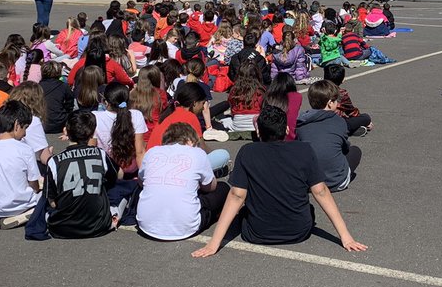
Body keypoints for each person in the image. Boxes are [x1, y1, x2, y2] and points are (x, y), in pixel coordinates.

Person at [192, 104, 367, 257]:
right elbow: (320, 191)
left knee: (242, 212)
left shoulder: (248, 152)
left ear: (258, 131)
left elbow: (237, 196)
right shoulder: (304, 150)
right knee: (309, 208)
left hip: (257, 233)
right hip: (298, 231)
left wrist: (214, 243)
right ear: (287, 130)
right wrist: (345, 236)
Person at [138, 122, 229, 240]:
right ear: (190, 141)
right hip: (186, 227)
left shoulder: (152, 152)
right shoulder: (197, 153)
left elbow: (141, 182)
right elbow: (210, 187)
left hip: (146, 225)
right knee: (223, 188)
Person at [42, 111, 120, 239]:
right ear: (92, 133)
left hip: (61, 228)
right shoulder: (100, 154)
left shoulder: (54, 161)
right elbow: (117, 177)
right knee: (120, 194)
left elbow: (52, 202)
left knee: (44, 203)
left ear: (65, 131)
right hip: (98, 226)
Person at [0, 101, 42, 230]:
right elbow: (34, 185)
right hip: (21, 206)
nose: (25, 133)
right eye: (25, 128)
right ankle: (25, 214)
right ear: (17, 125)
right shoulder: (25, 149)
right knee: (46, 196)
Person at [295, 80, 360, 191]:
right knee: (355, 151)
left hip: (309, 183)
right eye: (336, 101)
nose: (338, 103)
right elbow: (344, 148)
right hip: (336, 181)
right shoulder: (339, 121)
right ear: (330, 103)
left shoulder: (301, 122)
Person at [321, 62, 372, 135]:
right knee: (366, 117)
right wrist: (363, 120)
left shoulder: (318, 90)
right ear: (342, 79)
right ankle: (349, 130)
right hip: (336, 122)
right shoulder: (341, 93)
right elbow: (351, 111)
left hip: (320, 121)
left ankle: (350, 130)